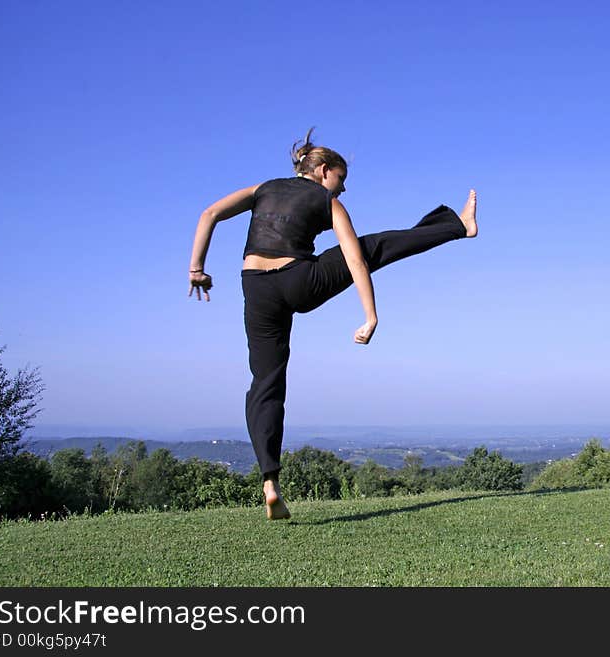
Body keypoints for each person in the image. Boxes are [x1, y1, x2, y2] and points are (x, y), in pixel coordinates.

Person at [188, 128, 477, 519]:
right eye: (341, 180)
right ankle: (457, 226)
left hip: (256, 287)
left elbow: (210, 214)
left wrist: (197, 268)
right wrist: (370, 315)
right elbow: (356, 259)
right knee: (373, 245)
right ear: (324, 171)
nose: (342, 190)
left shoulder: (262, 188)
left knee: (265, 383)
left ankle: (270, 480)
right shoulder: (327, 201)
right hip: (300, 282)